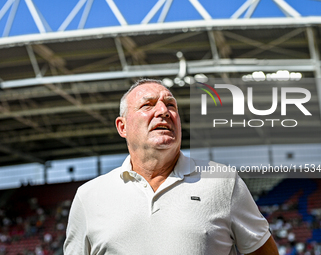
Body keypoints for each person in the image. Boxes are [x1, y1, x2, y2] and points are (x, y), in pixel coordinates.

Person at [64, 78, 279, 255]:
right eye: (148, 105)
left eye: (171, 105)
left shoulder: (223, 181)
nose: (163, 111)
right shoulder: (89, 197)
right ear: (122, 127)